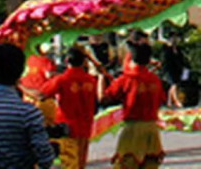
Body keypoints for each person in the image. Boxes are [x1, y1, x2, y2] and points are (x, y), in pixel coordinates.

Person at [99, 40, 165, 169]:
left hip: (133, 129)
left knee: (126, 163)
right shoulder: (155, 79)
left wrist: (101, 77)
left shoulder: (126, 79)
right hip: (152, 128)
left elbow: (103, 98)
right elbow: (161, 99)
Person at [41, 47, 97, 169]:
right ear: (83, 62)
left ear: (66, 61)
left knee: (70, 163)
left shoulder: (62, 80)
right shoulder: (91, 80)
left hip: (67, 127)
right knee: (81, 163)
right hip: (86, 126)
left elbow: (42, 95)